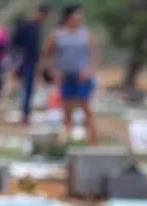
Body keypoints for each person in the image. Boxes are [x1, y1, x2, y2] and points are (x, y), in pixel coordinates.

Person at [44, 5, 100, 144]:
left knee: (85, 106)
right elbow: (48, 54)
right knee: (67, 108)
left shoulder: (86, 34)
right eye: (76, 15)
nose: (79, 18)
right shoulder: (57, 34)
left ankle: (93, 138)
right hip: (66, 76)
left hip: (82, 76)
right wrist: (54, 71)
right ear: (68, 17)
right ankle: (67, 137)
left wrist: (90, 70)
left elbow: (95, 54)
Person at [12, 4, 51, 125]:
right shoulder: (25, 27)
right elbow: (15, 44)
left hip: (32, 62)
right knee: (26, 88)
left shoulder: (37, 28)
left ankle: (26, 114)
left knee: (29, 89)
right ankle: (25, 114)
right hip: (23, 62)